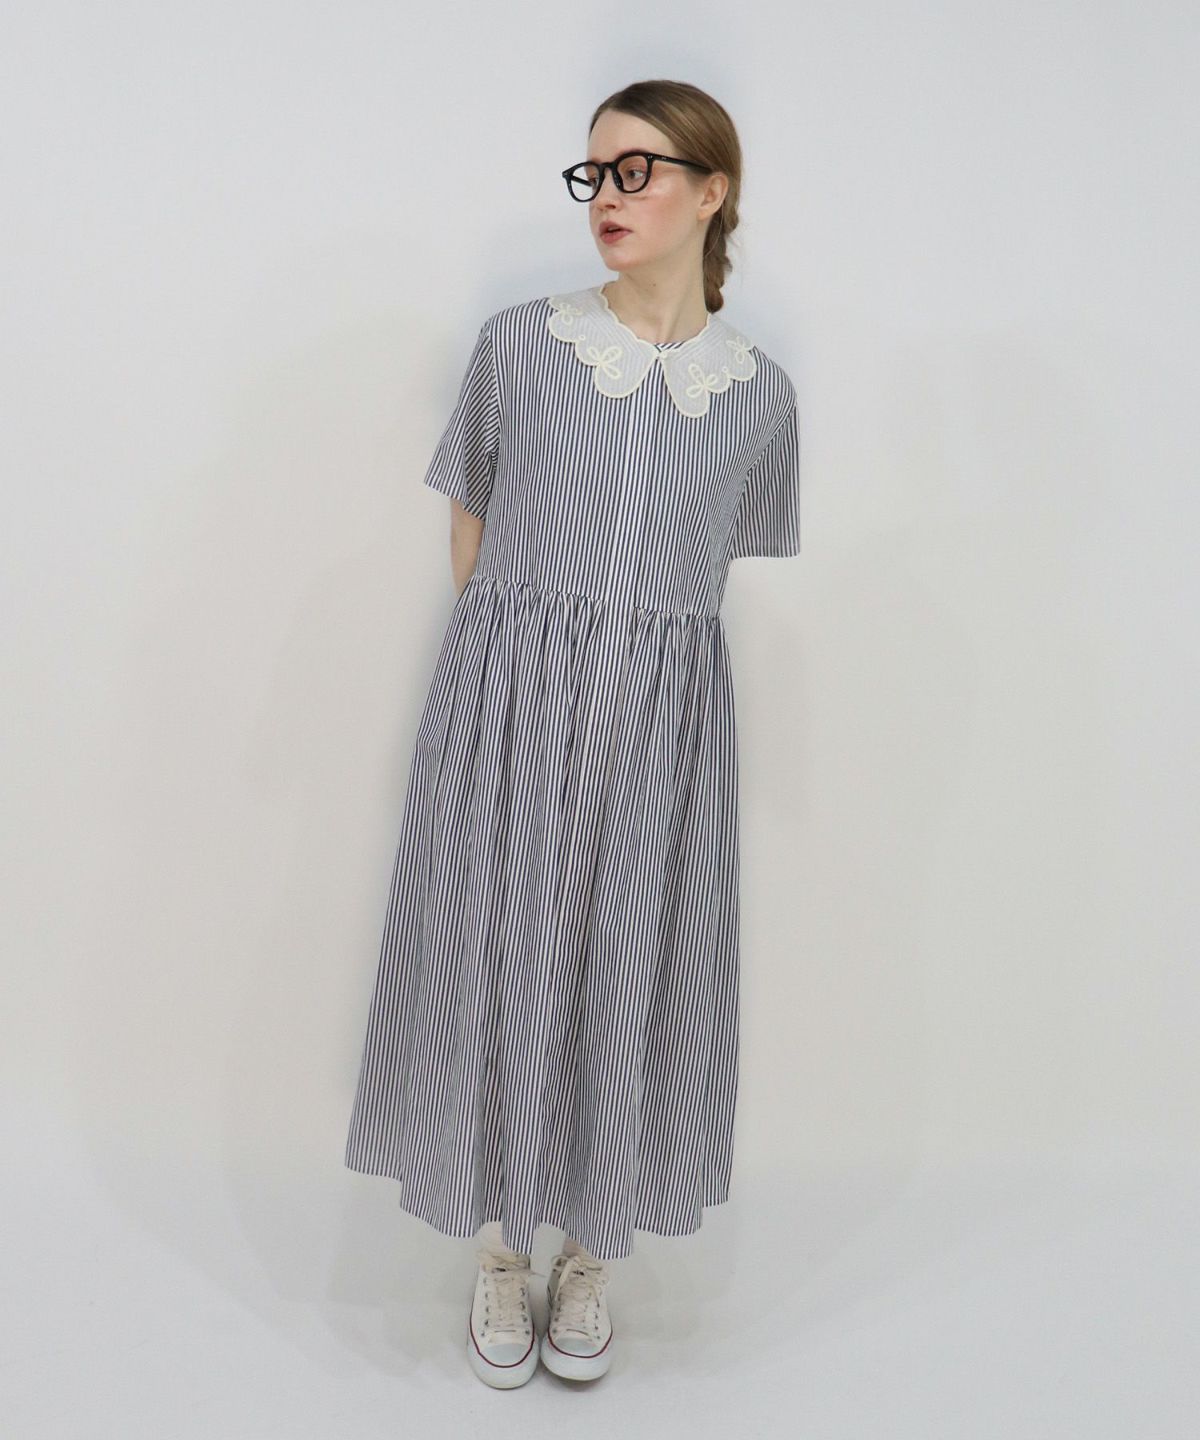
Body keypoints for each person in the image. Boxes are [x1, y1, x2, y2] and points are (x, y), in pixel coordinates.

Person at [344, 78, 801, 1390]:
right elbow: (472, 523)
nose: (607, 195)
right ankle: (499, 1250)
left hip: (664, 732)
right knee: (499, 956)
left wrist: (626, 673)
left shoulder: (763, 400)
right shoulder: (521, 348)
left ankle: (589, 1253)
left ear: (712, 192)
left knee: (633, 965)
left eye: (638, 170)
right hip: (510, 707)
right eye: (594, 173)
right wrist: (513, 682)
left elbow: (714, 569)